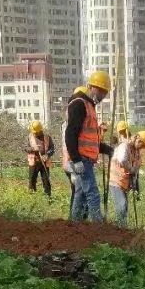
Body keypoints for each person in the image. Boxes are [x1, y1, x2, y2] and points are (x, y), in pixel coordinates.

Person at [62, 71, 114, 222]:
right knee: (92, 192)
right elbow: (70, 134)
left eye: (105, 92)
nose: (103, 95)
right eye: (100, 90)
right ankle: (98, 225)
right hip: (82, 159)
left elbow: (91, 139)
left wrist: (108, 150)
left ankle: (74, 222)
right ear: (91, 87)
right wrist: (76, 159)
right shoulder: (79, 104)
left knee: (80, 193)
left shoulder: (90, 106)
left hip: (87, 158)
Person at [111, 130, 145, 225]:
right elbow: (122, 160)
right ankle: (120, 228)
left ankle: (122, 228)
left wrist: (135, 184)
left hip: (125, 182)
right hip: (116, 180)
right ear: (138, 139)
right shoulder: (124, 146)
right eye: (142, 145)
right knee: (122, 205)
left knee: (124, 206)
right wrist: (131, 169)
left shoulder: (137, 152)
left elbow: (137, 167)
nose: (142, 148)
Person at [26, 121, 55, 197]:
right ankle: (32, 196)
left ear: (40, 130)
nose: (35, 133)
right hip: (34, 162)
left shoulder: (47, 137)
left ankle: (48, 198)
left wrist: (47, 155)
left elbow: (52, 149)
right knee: (32, 180)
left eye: (36, 132)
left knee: (46, 181)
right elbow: (26, 148)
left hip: (44, 163)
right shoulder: (30, 137)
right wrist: (32, 149)